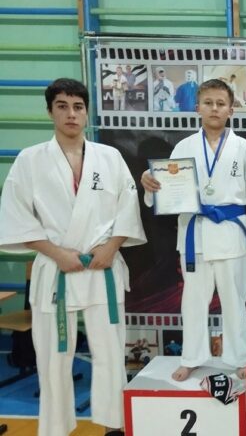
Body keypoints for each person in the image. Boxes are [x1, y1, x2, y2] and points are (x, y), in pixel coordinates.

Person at [0, 78, 146, 436]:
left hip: (102, 267)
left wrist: (111, 247)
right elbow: (16, 216)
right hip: (57, 270)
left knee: (110, 352)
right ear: (50, 111)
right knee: (53, 358)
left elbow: (128, 206)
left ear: (86, 112)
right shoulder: (30, 160)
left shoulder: (109, 158)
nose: (71, 114)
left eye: (78, 107)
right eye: (62, 106)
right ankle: (55, 429)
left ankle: (114, 426)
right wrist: (56, 253)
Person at [141, 79, 246, 381]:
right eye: (208, 103)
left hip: (232, 232)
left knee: (235, 300)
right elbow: (168, 186)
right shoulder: (184, 147)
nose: (214, 108)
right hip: (195, 233)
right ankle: (192, 357)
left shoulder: (243, 148)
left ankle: (239, 357)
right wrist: (150, 182)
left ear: (231, 110)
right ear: (197, 107)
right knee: (193, 300)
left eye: (221, 103)